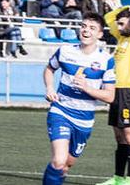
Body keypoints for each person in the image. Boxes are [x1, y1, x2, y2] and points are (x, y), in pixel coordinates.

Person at [42, 13, 115, 185]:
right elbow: (49, 69)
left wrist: (87, 88)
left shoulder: (106, 60)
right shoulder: (65, 51)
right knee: (59, 160)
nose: (86, 30)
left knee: (67, 165)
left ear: (99, 34)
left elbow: (110, 96)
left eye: (92, 28)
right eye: (83, 26)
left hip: (84, 120)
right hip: (61, 111)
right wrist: (50, 88)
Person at [97, 6, 130, 185]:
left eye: (123, 24)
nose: (118, 26)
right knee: (119, 135)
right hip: (115, 91)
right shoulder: (121, 39)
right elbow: (108, 18)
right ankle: (117, 178)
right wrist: (124, 8)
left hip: (128, 91)